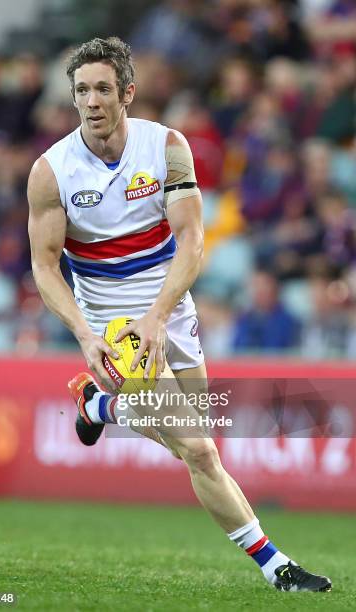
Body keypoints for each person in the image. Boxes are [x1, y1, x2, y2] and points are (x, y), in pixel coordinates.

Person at [27, 36, 331, 593]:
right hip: (114, 324)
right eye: (81, 91)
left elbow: (192, 241)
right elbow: (45, 268)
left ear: (128, 93)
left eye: (102, 89)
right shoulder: (51, 172)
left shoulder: (167, 147)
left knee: (194, 433)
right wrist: (84, 332)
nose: (91, 101)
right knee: (198, 446)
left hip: (170, 307)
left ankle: (101, 404)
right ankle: (277, 567)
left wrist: (160, 316)